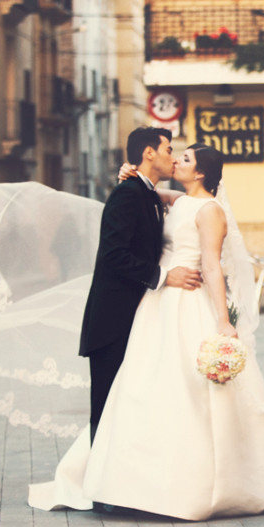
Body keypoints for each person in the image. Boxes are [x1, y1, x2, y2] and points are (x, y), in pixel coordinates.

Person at [28, 144, 264, 519]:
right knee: (144, 383)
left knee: (187, 387)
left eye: (185, 159)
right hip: (158, 305)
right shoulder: (181, 201)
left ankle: (197, 482)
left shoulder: (210, 211)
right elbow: (151, 190)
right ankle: (131, 479)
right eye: (176, 155)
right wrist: (130, 173)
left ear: (202, 172)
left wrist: (223, 320)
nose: (177, 161)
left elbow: (211, 265)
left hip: (189, 301)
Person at [79, 127, 202, 443]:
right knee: (106, 408)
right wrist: (165, 276)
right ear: (149, 153)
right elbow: (113, 254)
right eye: (168, 150)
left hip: (135, 319)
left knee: (126, 407)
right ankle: (100, 487)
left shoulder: (144, 192)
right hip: (112, 321)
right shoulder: (128, 194)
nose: (171, 157)